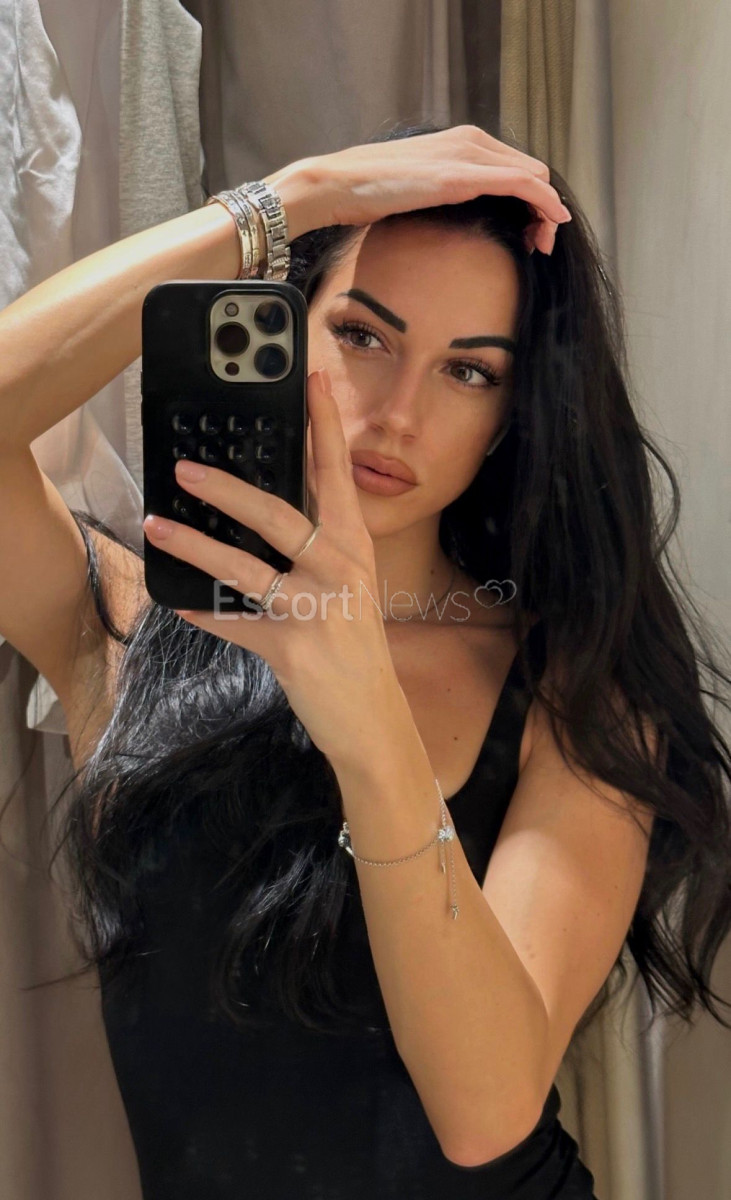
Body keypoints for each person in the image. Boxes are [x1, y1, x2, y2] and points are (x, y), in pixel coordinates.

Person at [1, 120, 729, 1199]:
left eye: (468, 371)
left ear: (510, 416)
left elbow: (488, 1115)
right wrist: (292, 197)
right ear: (283, 333)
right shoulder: (129, 620)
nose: (398, 415)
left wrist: (366, 717)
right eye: (362, 334)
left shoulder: (575, 687)